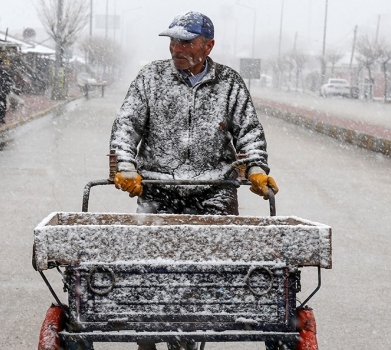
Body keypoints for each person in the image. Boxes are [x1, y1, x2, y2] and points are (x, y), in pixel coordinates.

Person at [109, 11, 279, 350]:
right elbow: (126, 126)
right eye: (172, 41)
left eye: (186, 41)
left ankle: (192, 329)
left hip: (214, 192)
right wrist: (126, 166)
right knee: (147, 268)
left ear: (208, 45)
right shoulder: (151, 78)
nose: (176, 48)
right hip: (158, 188)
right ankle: (147, 332)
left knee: (207, 270)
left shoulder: (230, 83)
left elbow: (249, 133)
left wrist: (256, 168)